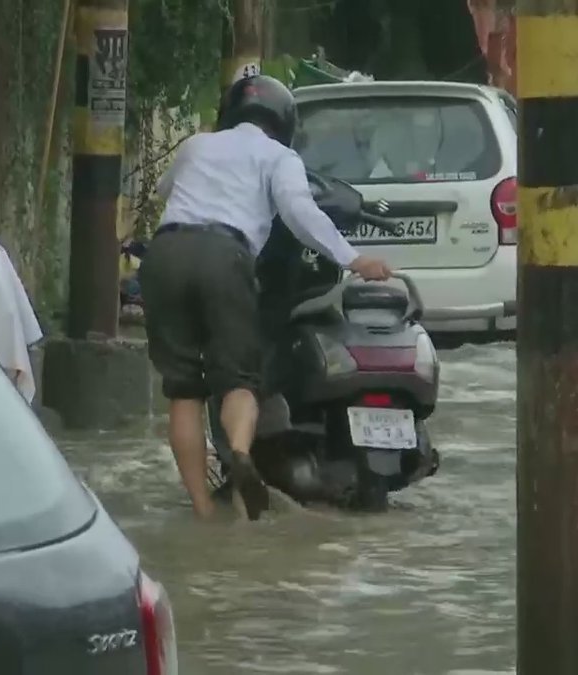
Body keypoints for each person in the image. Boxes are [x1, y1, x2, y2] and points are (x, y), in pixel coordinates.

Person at [138, 75, 393, 521]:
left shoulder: (198, 145)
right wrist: (354, 259)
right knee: (240, 380)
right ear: (284, 121)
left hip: (165, 253)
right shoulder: (279, 156)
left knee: (183, 390)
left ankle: (202, 512)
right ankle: (239, 452)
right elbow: (299, 212)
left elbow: (165, 191)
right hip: (224, 254)